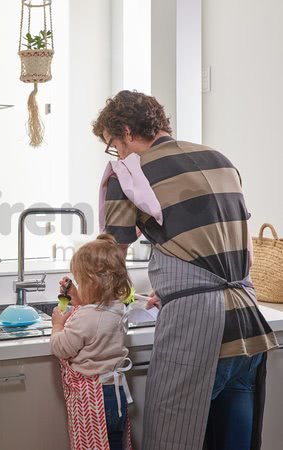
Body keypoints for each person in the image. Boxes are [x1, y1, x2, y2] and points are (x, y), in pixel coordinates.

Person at [92, 90, 278, 450]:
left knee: (173, 439)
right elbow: (242, 251)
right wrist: (180, 284)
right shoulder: (219, 159)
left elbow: (110, 260)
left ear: (127, 131)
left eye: (114, 145)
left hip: (196, 330)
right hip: (247, 323)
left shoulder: (129, 173)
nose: (117, 154)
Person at [50, 233, 134, 450]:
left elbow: (62, 348)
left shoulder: (88, 318)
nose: (77, 285)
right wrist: (76, 296)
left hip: (93, 400)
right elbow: (95, 313)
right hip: (115, 396)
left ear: (92, 283)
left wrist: (58, 325)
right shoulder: (117, 308)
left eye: (80, 281)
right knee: (113, 443)